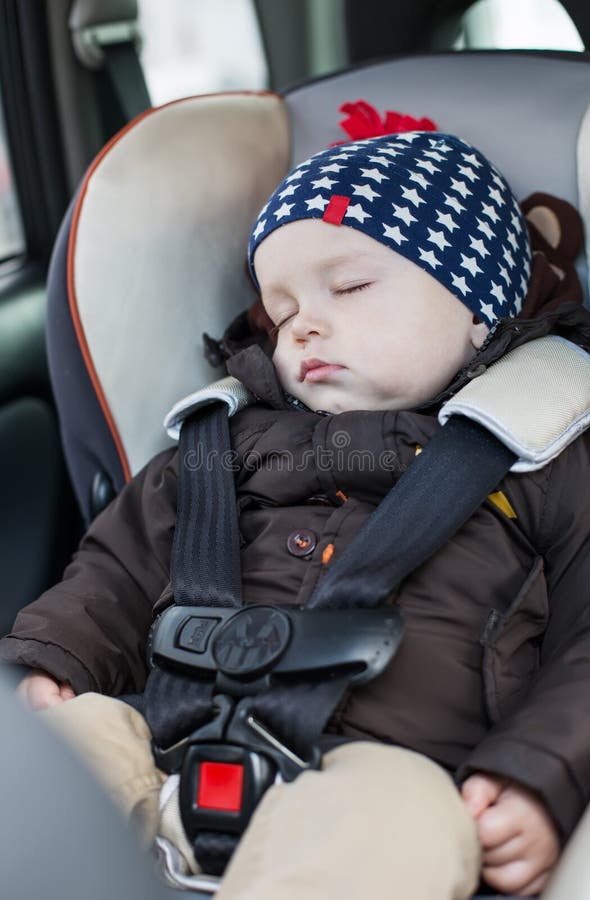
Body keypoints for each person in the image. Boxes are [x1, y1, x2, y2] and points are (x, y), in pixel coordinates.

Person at [2, 130, 590, 900]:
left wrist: (534, 773)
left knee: (395, 817)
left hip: (394, 766)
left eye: (350, 288)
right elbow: (116, 571)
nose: (304, 325)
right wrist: (54, 661)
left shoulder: (547, 450)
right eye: (280, 311)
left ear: (481, 306)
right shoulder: (222, 443)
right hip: (168, 735)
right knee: (58, 751)